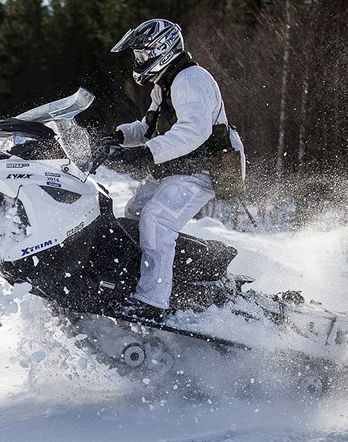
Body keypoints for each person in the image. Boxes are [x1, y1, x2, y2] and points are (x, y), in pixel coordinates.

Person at [104, 18, 245, 317]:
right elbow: (148, 126)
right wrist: (118, 138)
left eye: (142, 55)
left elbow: (195, 131)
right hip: (181, 167)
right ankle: (153, 278)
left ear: (162, 49)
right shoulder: (165, 84)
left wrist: (147, 154)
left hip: (205, 169)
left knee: (157, 220)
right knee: (137, 212)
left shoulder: (191, 81)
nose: (138, 61)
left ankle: (152, 301)